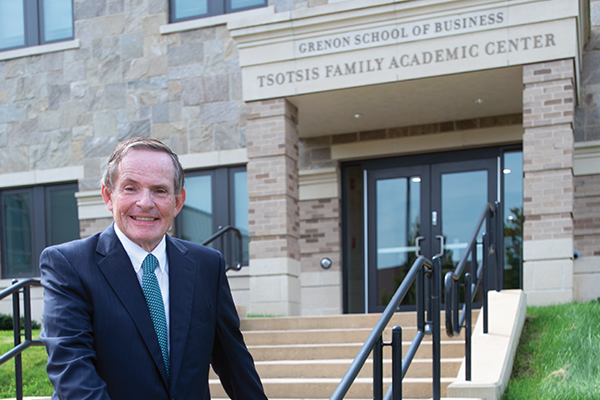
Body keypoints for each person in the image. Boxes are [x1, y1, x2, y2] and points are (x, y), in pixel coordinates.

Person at [40, 137, 268, 400]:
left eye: (159, 190)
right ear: (108, 196)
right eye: (130, 188)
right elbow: (73, 372)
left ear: (177, 201)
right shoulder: (69, 265)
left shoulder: (207, 265)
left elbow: (234, 365)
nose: (145, 203)